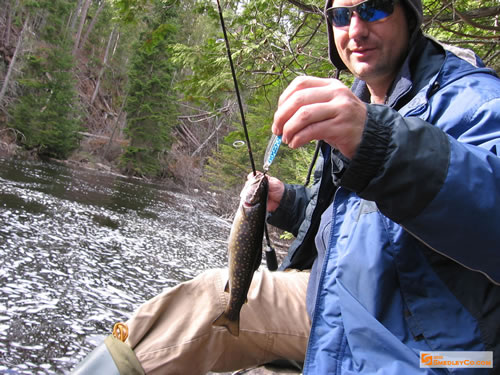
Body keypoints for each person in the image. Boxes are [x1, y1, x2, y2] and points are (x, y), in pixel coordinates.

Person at [73, 0, 500, 373]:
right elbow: (361, 221)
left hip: (444, 351)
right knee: (197, 303)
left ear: (409, 13)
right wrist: (290, 204)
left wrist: (378, 143)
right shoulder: (360, 103)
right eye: (340, 15)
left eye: (374, 7)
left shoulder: (475, 99)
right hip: (335, 298)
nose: (355, 29)